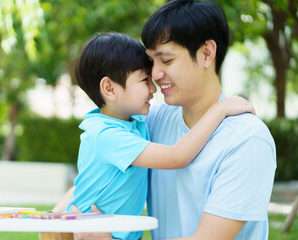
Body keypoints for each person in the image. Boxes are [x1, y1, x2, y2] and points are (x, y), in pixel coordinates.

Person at [53, 32, 255, 240]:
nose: (153, 88)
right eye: (144, 80)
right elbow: (176, 157)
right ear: (110, 88)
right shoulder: (107, 135)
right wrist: (219, 110)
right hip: (90, 234)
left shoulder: (135, 122)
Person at [140, 0, 276, 239]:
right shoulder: (153, 122)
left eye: (167, 60)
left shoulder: (248, 139)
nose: (155, 74)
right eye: (151, 62)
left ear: (206, 53)